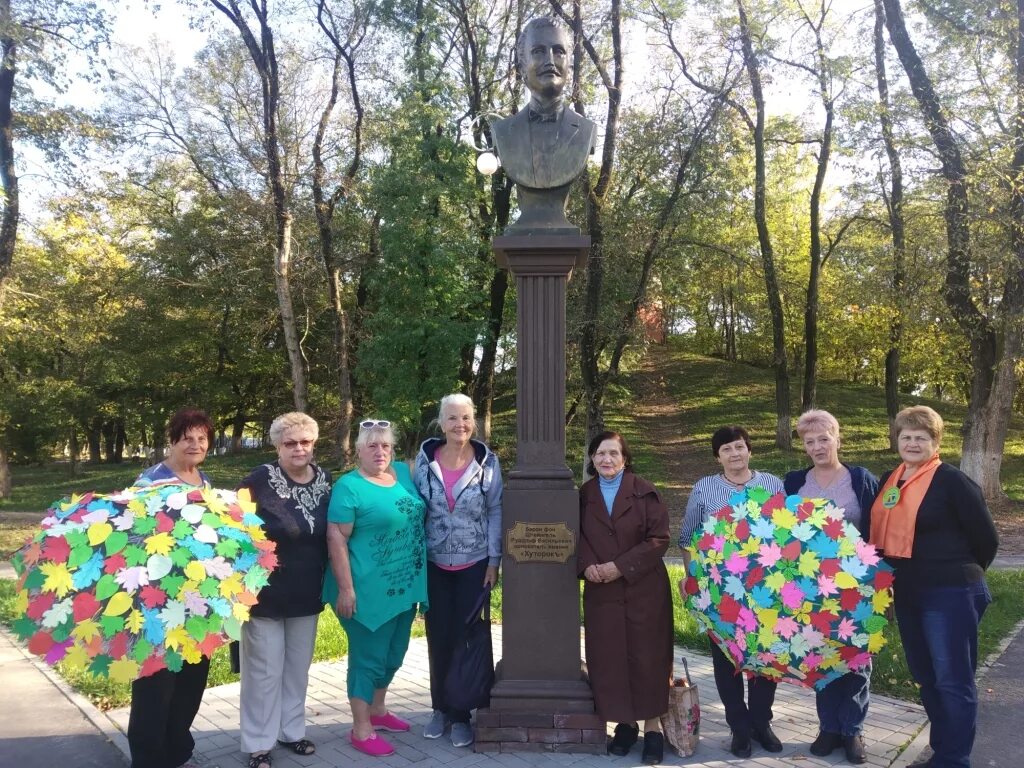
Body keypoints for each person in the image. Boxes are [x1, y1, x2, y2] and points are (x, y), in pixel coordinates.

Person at [869, 406, 998, 768]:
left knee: (952, 679)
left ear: (935, 442)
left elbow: (986, 539)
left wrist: (959, 574)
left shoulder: (952, 481)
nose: (912, 443)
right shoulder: (888, 480)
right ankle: (942, 752)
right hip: (907, 593)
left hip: (950, 593)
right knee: (926, 678)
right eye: (906, 436)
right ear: (897, 440)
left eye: (920, 437)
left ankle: (955, 759)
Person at [322, 419, 428, 757]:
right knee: (368, 658)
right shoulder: (349, 487)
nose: (380, 451)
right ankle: (361, 727)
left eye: (385, 445)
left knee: (395, 654)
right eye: (372, 445)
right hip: (365, 589)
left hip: (403, 587)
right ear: (358, 451)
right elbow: (336, 538)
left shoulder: (402, 473)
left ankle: (379, 711)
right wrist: (345, 589)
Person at [679, 425, 784, 759]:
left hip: (766, 590)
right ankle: (739, 728)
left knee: (765, 659)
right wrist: (692, 577)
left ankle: (760, 722)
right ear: (717, 456)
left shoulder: (771, 483)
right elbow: (687, 537)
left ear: (749, 450)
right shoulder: (705, 488)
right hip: (719, 592)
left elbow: (786, 533)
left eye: (739, 447)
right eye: (726, 449)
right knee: (727, 661)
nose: (734, 454)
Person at [784, 410, 879, 765]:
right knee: (820, 655)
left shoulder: (860, 479)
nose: (817, 447)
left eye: (824, 439)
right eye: (810, 442)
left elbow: (875, 529)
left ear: (838, 438)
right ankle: (828, 727)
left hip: (857, 584)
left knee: (856, 657)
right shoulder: (795, 482)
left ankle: (852, 729)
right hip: (811, 587)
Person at [237, 412, 331, 768]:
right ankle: (258, 744)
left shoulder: (324, 479)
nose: (298, 449)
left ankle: (291, 731)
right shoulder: (258, 481)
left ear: (314, 444)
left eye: (305, 442)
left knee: (297, 668)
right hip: (265, 594)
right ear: (277, 445)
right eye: (290, 443)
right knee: (263, 671)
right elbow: (235, 531)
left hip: (308, 590)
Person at [413, 394, 502, 748]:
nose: (459, 425)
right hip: (434, 563)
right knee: (440, 635)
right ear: (441, 422)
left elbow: (496, 511)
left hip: (475, 563)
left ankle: (463, 714)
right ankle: (440, 708)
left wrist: (494, 561)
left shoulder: (489, 464)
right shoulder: (422, 462)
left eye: (465, 418)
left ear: (474, 421)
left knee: (469, 638)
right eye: (452, 418)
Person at [579, 431, 672, 765]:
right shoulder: (584, 494)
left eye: (614, 453)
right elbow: (573, 536)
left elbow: (659, 539)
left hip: (643, 589)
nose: (607, 460)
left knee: (648, 657)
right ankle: (625, 725)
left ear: (625, 457)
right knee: (609, 658)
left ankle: (652, 729)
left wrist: (619, 567)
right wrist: (587, 565)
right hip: (600, 590)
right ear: (592, 458)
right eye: (601, 453)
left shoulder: (645, 491)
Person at [128, 408, 214, 768]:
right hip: (158, 601)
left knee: (190, 680)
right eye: (187, 438)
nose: (194, 445)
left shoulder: (203, 480)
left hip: (199, 600)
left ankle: (177, 752)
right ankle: (148, 759)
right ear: (173, 440)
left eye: (201, 439)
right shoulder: (152, 482)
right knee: (156, 685)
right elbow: (133, 538)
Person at [491, 15, 597, 231]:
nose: (550, 60)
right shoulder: (503, 133)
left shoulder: (586, 131)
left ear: (569, 64)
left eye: (558, 51)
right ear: (522, 66)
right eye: (539, 51)